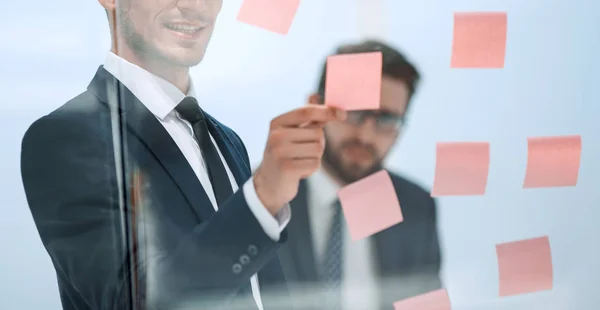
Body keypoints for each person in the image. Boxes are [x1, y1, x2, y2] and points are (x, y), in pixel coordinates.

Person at [19, 0, 345, 309]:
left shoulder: (228, 142)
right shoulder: (65, 137)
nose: (194, 5)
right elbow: (139, 302)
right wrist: (261, 200)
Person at [276, 40, 442, 310]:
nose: (365, 135)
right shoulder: (265, 197)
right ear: (317, 109)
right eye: (354, 112)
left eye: (386, 120)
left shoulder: (415, 208)